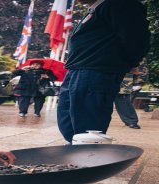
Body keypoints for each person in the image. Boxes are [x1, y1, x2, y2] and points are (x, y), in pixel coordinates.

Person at [57, 0, 150, 143]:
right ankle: (75, 152)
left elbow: (137, 38)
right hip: (76, 70)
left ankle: (88, 159)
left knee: (88, 125)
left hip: (96, 71)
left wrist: (132, 62)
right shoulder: (97, 8)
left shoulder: (119, 4)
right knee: (67, 119)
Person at [114, 62, 148, 129]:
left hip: (123, 81)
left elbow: (141, 65)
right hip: (102, 77)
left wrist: (139, 82)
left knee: (123, 100)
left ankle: (131, 121)